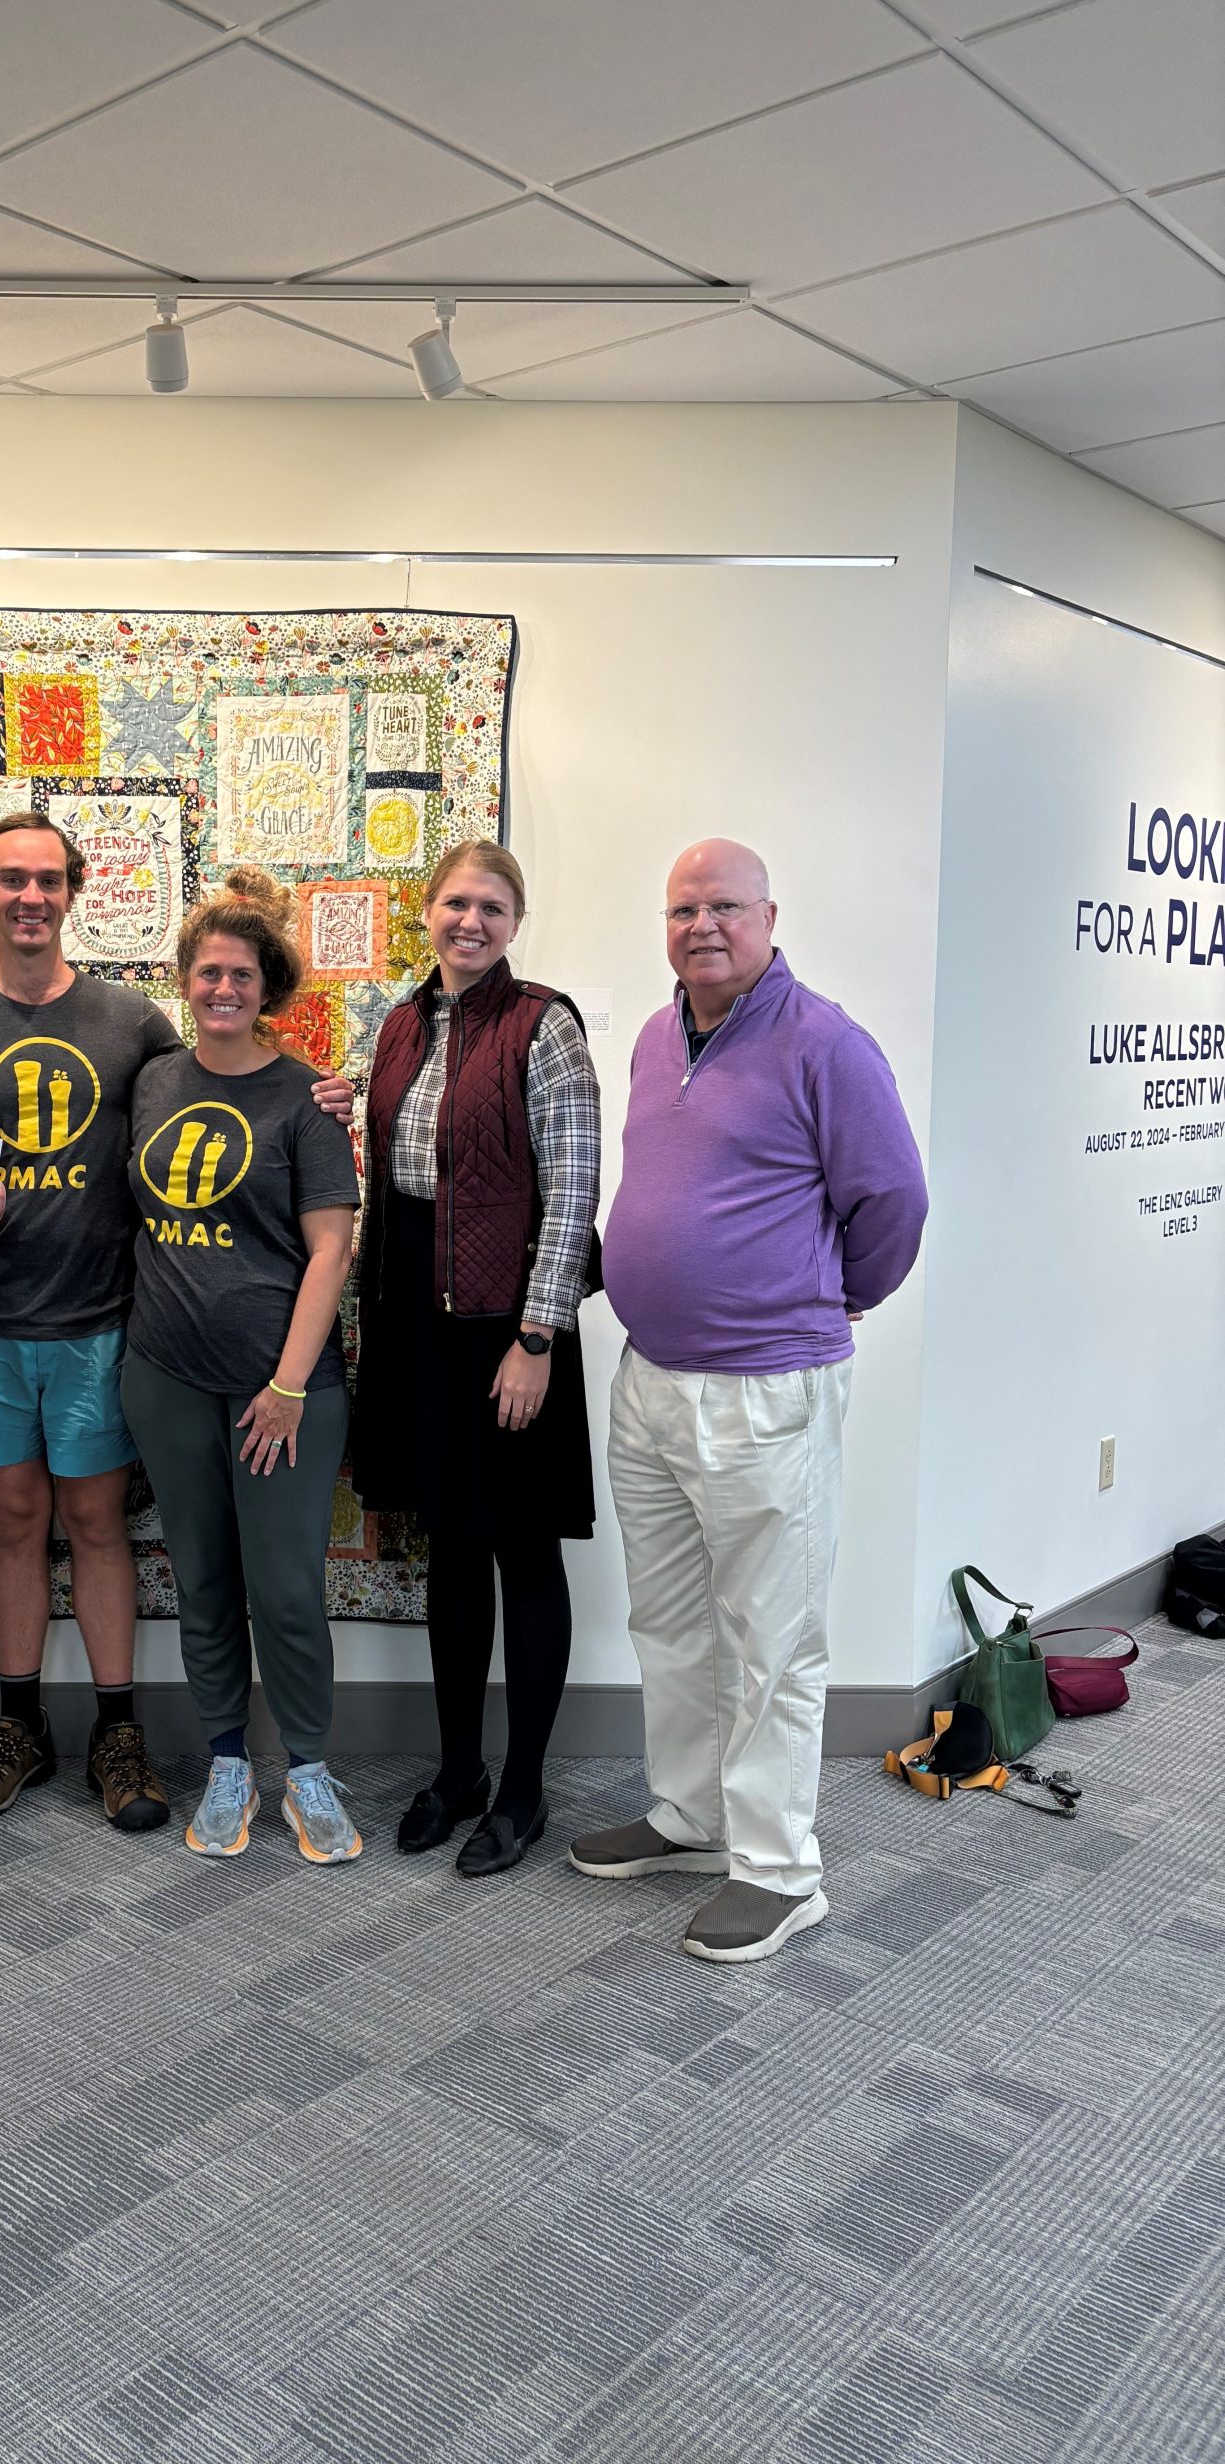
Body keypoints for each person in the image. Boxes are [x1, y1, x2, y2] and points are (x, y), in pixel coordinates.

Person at [0, 815, 353, 1833]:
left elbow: (233, 1065)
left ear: (74, 889)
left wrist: (320, 1084)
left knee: (104, 1527)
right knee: (17, 1525)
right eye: (10, 879)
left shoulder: (133, 1028)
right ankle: (19, 1725)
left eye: (47, 879)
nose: (29, 896)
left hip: (105, 1325)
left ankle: (121, 1734)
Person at [574, 839, 928, 1961]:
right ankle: (691, 1816)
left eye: (725, 906)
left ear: (770, 917)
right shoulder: (654, 1034)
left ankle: (779, 1871)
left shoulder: (825, 1042)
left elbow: (895, 1200)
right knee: (670, 1620)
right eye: (683, 909)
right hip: (650, 1381)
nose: (703, 926)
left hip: (768, 1388)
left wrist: (832, 1296)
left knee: (773, 1638)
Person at [354, 840, 602, 1876]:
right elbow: (409, 1157)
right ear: (428, 910)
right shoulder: (401, 1024)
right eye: (456, 902)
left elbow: (574, 1188)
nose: (471, 921)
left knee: (524, 1551)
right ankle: (458, 1771)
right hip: (418, 1314)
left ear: (515, 922)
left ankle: (524, 1789)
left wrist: (537, 1338)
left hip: (508, 1325)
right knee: (451, 1547)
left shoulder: (544, 1023)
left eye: (493, 907)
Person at [120, 869, 363, 1863]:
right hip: (168, 1376)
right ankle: (227, 1761)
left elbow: (332, 1250)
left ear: (269, 989)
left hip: (285, 1389)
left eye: (242, 975)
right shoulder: (151, 1082)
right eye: (208, 972)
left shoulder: (307, 1097)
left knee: (287, 1586)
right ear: (184, 979)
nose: (223, 988)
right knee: (205, 1579)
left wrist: (289, 1386)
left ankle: (306, 1767)